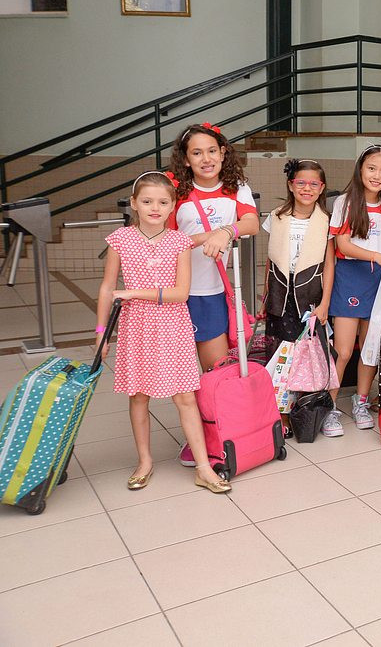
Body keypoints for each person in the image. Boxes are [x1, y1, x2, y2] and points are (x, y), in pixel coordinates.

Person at [95, 172, 230, 494]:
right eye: (147, 201)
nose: (155, 208)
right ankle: (144, 462)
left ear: (172, 206)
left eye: (162, 202)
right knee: (139, 395)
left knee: (185, 396)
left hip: (173, 325)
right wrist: (101, 332)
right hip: (135, 327)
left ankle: (203, 467)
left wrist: (134, 293)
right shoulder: (119, 239)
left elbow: (181, 293)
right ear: (134, 203)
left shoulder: (179, 242)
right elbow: (106, 287)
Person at [167, 123, 259, 467]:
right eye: (196, 152)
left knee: (214, 374)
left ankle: (212, 437)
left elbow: (251, 223)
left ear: (223, 153)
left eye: (211, 151)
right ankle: (195, 436)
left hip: (210, 295)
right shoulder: (175, 188)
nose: (206, 159)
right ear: (185, 159)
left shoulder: (237, 187)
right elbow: (164, 237)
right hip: (175, 294)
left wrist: (225, 231)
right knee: (181, 376)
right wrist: (205, 238)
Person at [329, 146, 381, 431]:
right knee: (344, 351)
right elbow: (342, 245)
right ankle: (328, 406)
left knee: (371, 350)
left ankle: (361, 401)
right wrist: (379, 257)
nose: (377, 175)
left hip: (380, 282)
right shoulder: (345, 202)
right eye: (372, 168)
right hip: (350, 278)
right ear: (360, 169)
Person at [262, 159, 335, 437]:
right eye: (301, 182)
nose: (307, 188)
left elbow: (329, 265)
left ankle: (301, 412)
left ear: (322, 188)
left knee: (306, 356)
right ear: (291, 185)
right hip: (280, 297)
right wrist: (266, 295)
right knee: (280, 356)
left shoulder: (327, 221)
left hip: (310, 297)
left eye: (313, 184)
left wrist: (325, 304)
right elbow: (271, 260)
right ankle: (279, 414)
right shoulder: (277, 217)